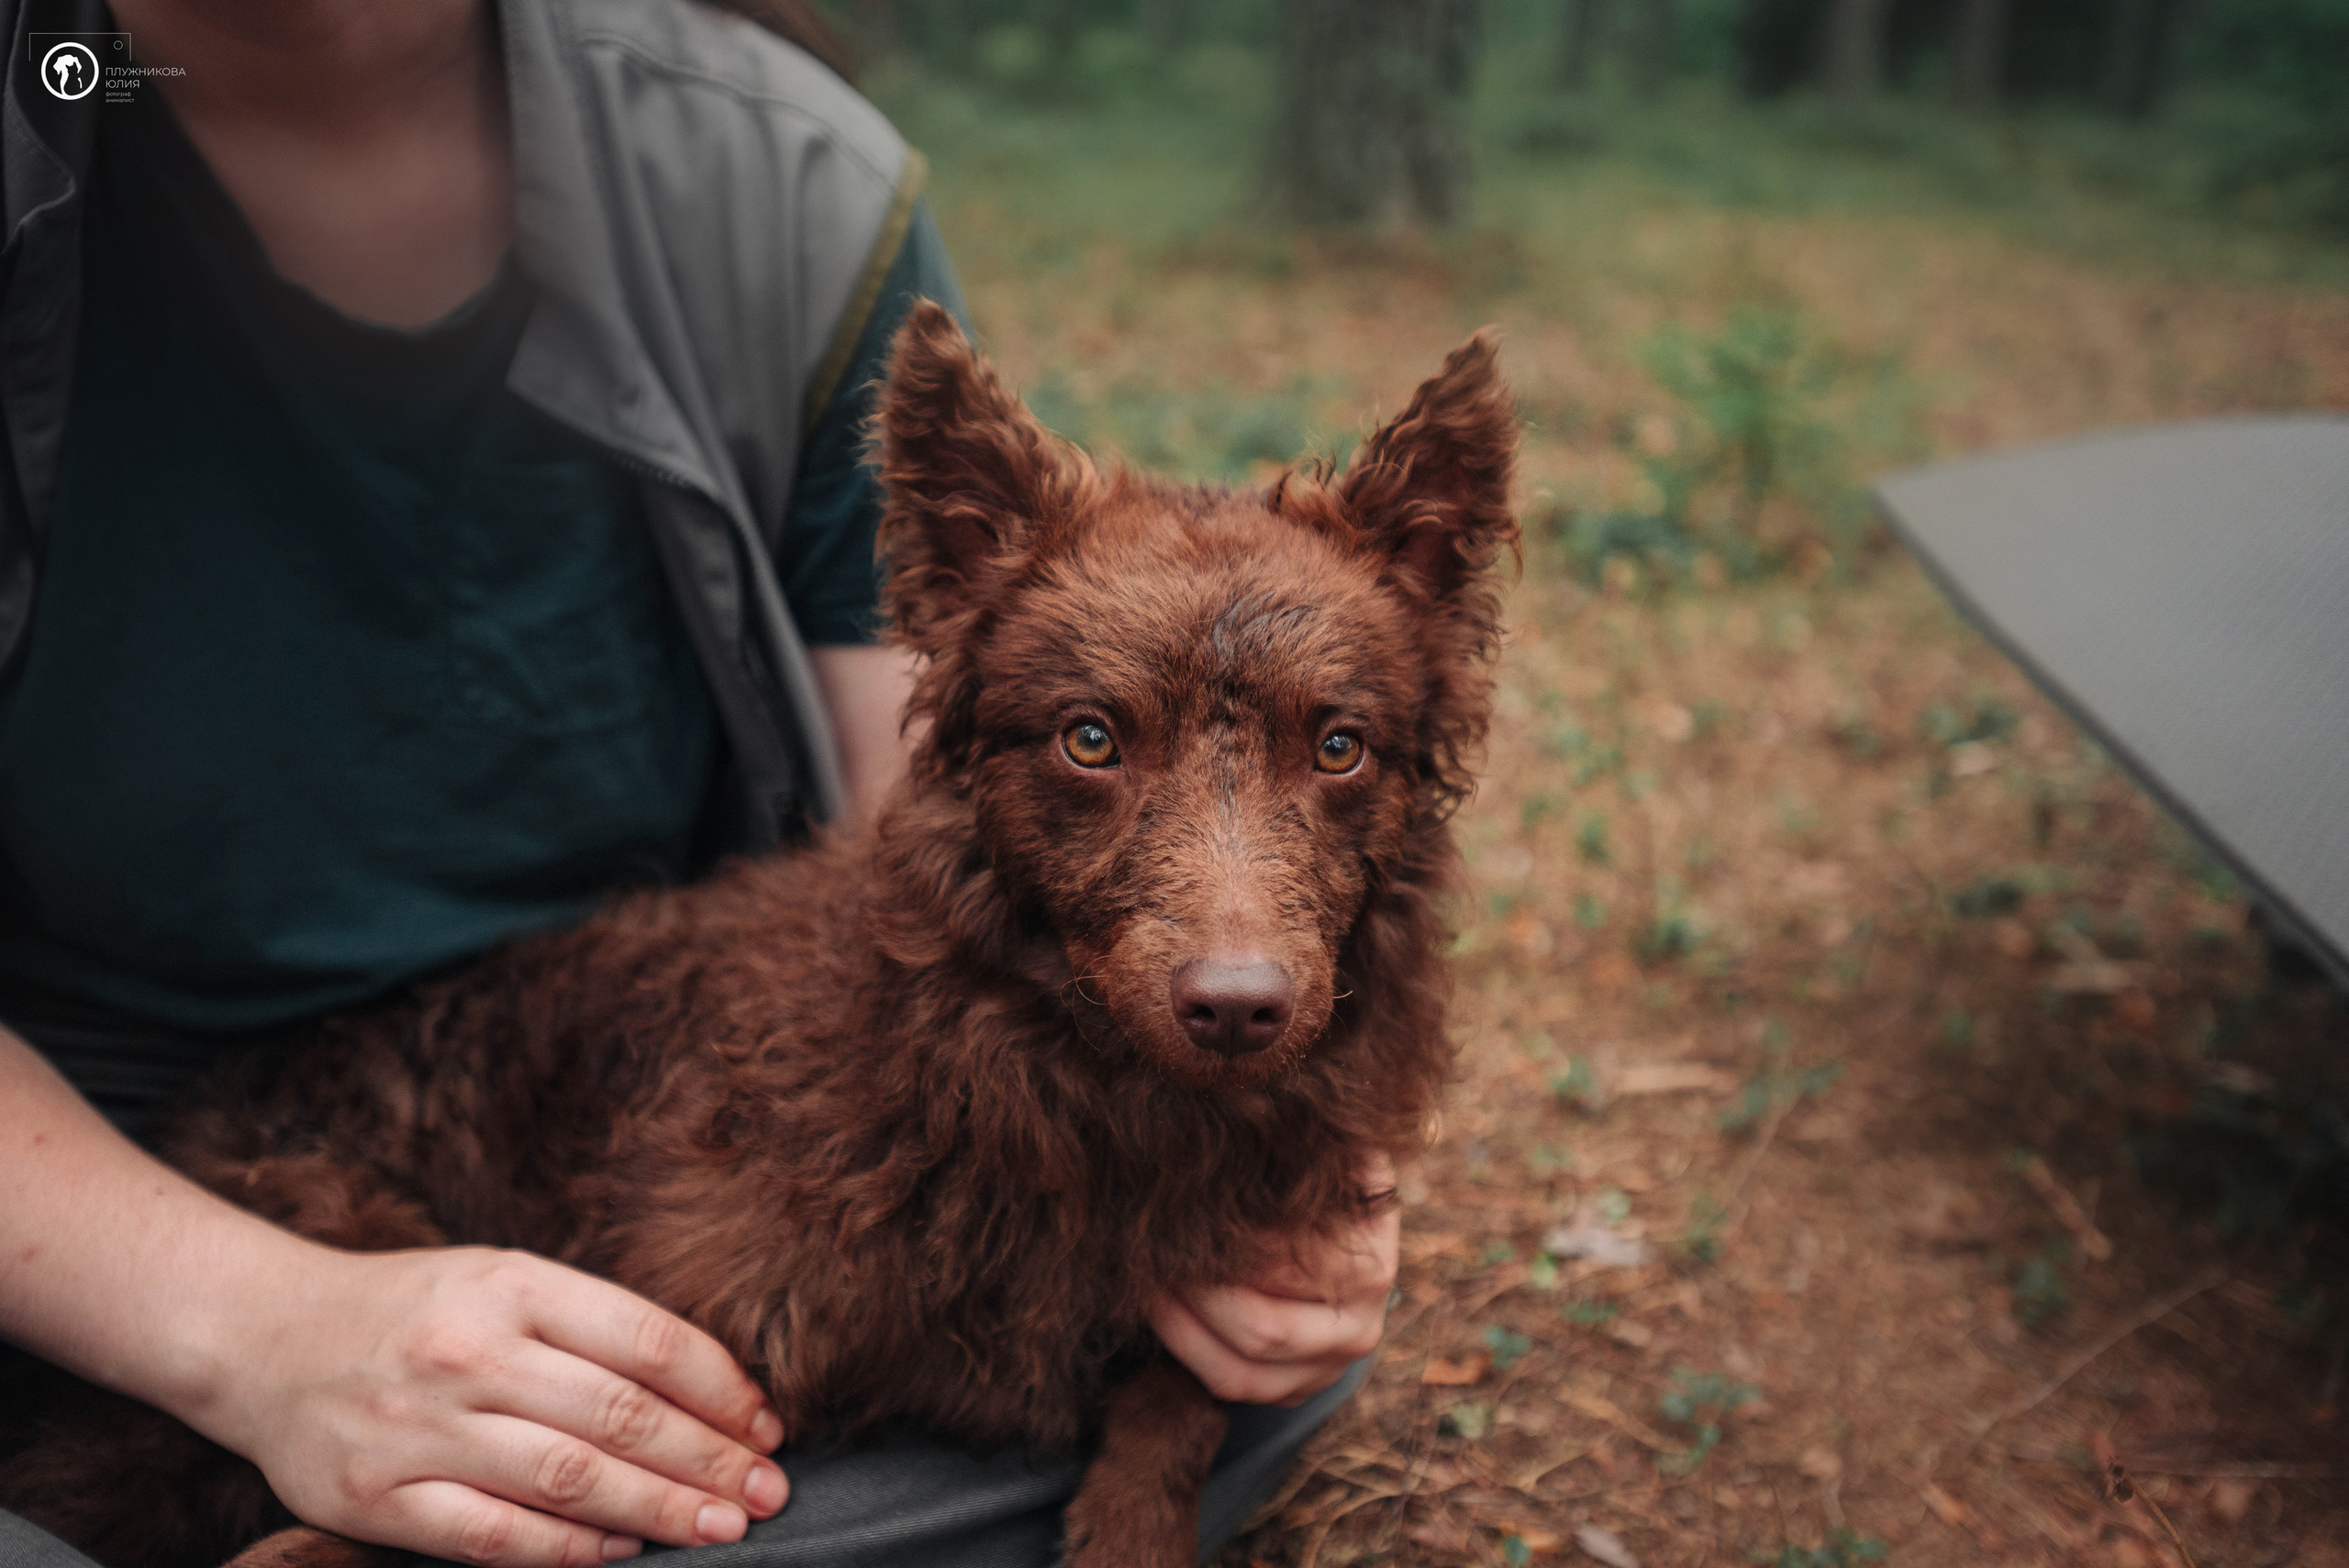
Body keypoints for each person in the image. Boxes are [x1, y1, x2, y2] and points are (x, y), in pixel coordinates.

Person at [0, 0, 1399, 1564]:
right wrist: (259, 1329)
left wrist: (1275, 1168)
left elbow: (937, 820)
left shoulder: (782, 184)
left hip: (646, 1079)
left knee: (1201, 1369)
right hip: (67, 1165)